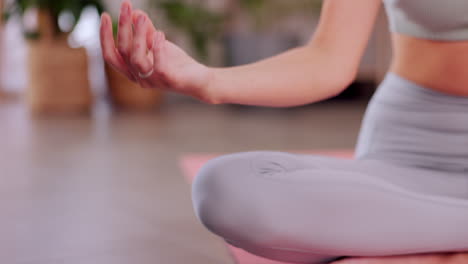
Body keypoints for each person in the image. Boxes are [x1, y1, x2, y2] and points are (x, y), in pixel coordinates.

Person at [100, 1, 468, 263]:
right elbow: (328, 58)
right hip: (405, 150)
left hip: (411, 201)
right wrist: (208, 81)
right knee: (226, 189)